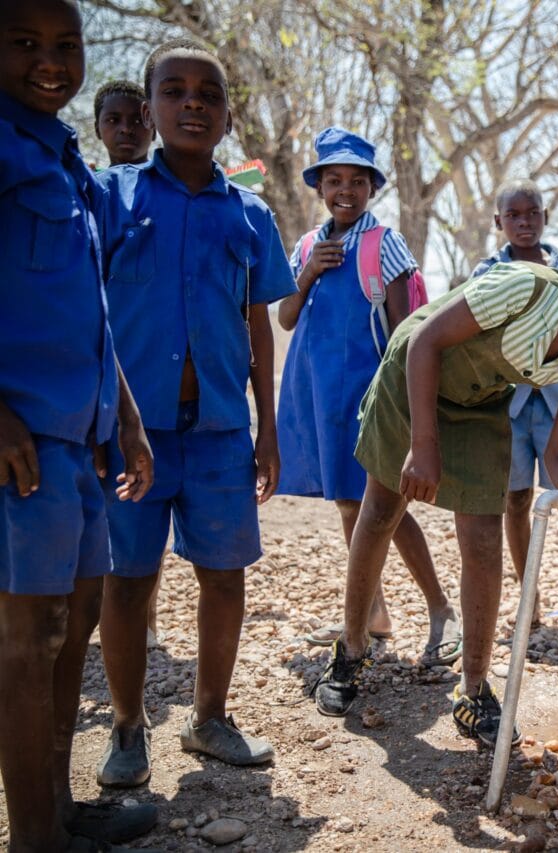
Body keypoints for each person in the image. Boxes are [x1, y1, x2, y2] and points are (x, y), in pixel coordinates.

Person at [312, 247, 558, 749]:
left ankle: (472, 691)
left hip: (479, 401)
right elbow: (425, 341)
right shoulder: (523, 287)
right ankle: (352, 650)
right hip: (415, 377)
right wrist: (423, 446)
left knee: (485, 543)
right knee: (381, 512)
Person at [93, 37, 296, 787]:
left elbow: (257, 328)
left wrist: (267, 428)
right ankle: (125, 724)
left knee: (224, 573)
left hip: (219, 433)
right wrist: (103, 421)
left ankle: (210, 717)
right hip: (129, 434)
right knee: (127, 578)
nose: (192, 104)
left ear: (226, 114)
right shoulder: (110, 197)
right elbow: (91, 315)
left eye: (207, 93)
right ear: (149, 110)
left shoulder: (248, 213)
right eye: (174, 91)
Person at [0, 1, 159, 849]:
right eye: (24, 43)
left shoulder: (61, 158)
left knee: (78, 620)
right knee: (31, 635)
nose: (49, 61)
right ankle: (32, 838)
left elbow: (92, 309)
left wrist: (128, 417)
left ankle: (58, 810)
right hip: (22, 443)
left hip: (88, 440)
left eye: (67, 45)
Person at [279, 127, 460, 665]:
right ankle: (371, 610)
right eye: (334, 180)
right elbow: (287, 316)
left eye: (357, 181)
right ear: (318, 186)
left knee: (387, 507)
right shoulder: (308, 246)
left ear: (371, 188)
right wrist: (309, 271)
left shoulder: (385, 243)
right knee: (346, 501)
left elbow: (407, 333)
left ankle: (440, 607)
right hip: (320, 399)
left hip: (371, 398)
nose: (345, 190)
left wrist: (410, 408)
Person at [471, 179, 558, 621]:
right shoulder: (488, 274)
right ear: (498, 222)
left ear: (546, 216)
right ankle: (529, 596)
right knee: (516, 499)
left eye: (533, 213)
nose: (524, 223)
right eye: (514, 216)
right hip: (508, 404)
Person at [93, 79, 151, 167]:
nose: (126, 129)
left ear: (154, 129)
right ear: (97, 130)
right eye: (113, 120)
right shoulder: (87, 179)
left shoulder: (174, 179)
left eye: (138, 121)